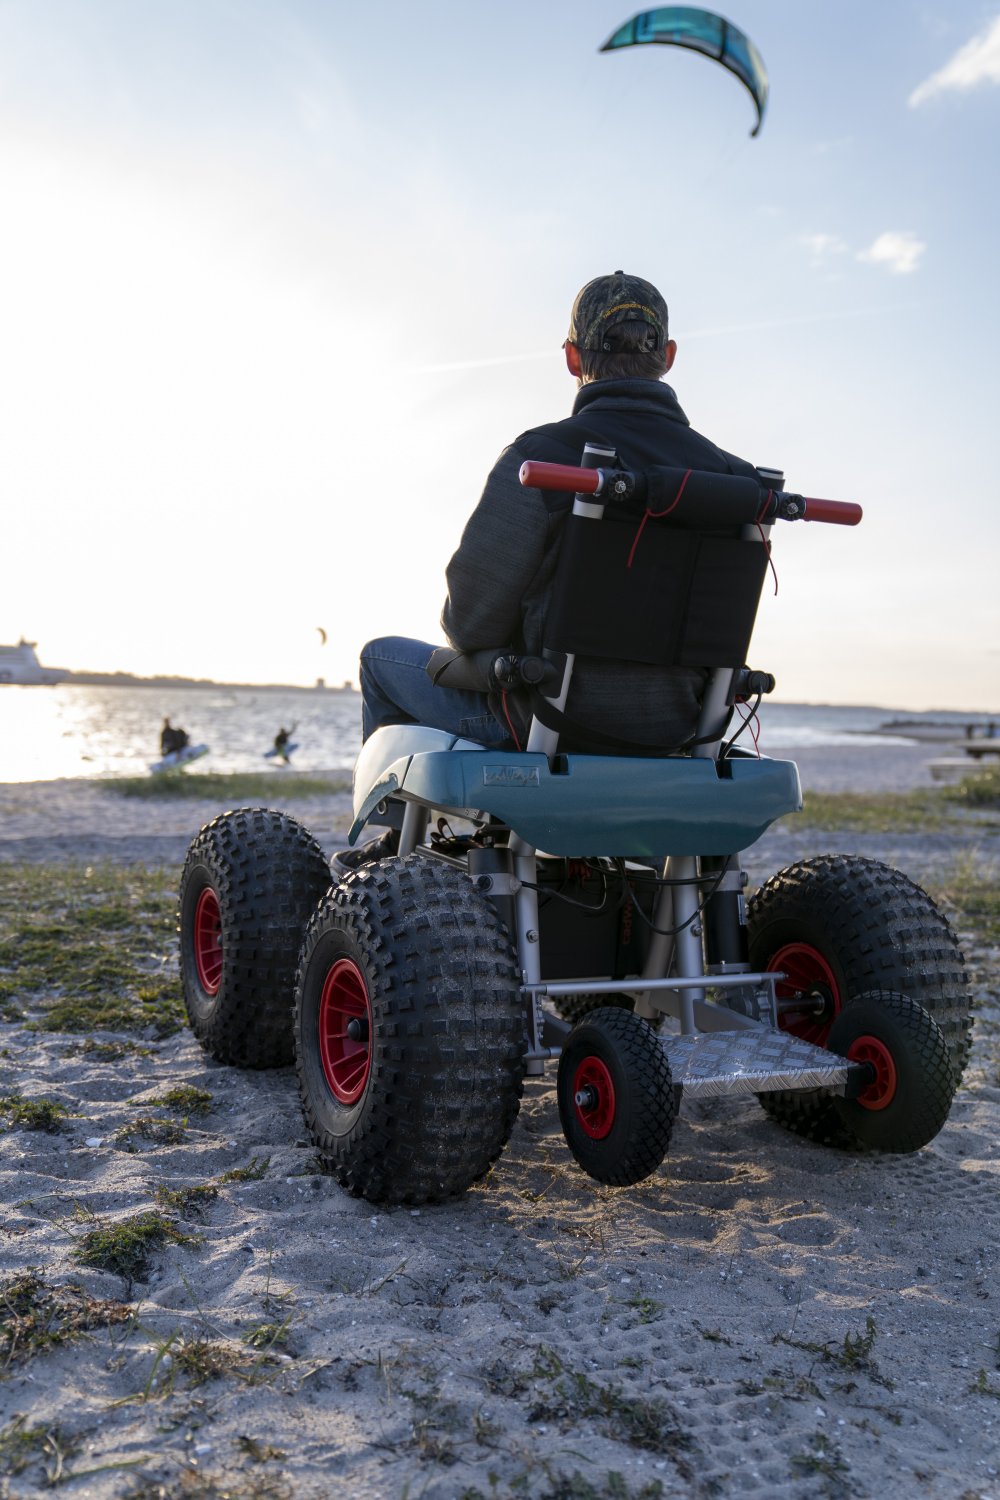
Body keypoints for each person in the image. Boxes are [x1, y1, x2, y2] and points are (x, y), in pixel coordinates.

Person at [343, 271, 760, 869]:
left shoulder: (541, 460)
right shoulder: (736, 483)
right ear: (666, 358)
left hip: (553, 719)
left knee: (378, 659)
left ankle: (389, 851)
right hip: (685, 725)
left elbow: (471, 625)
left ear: (572, 357)